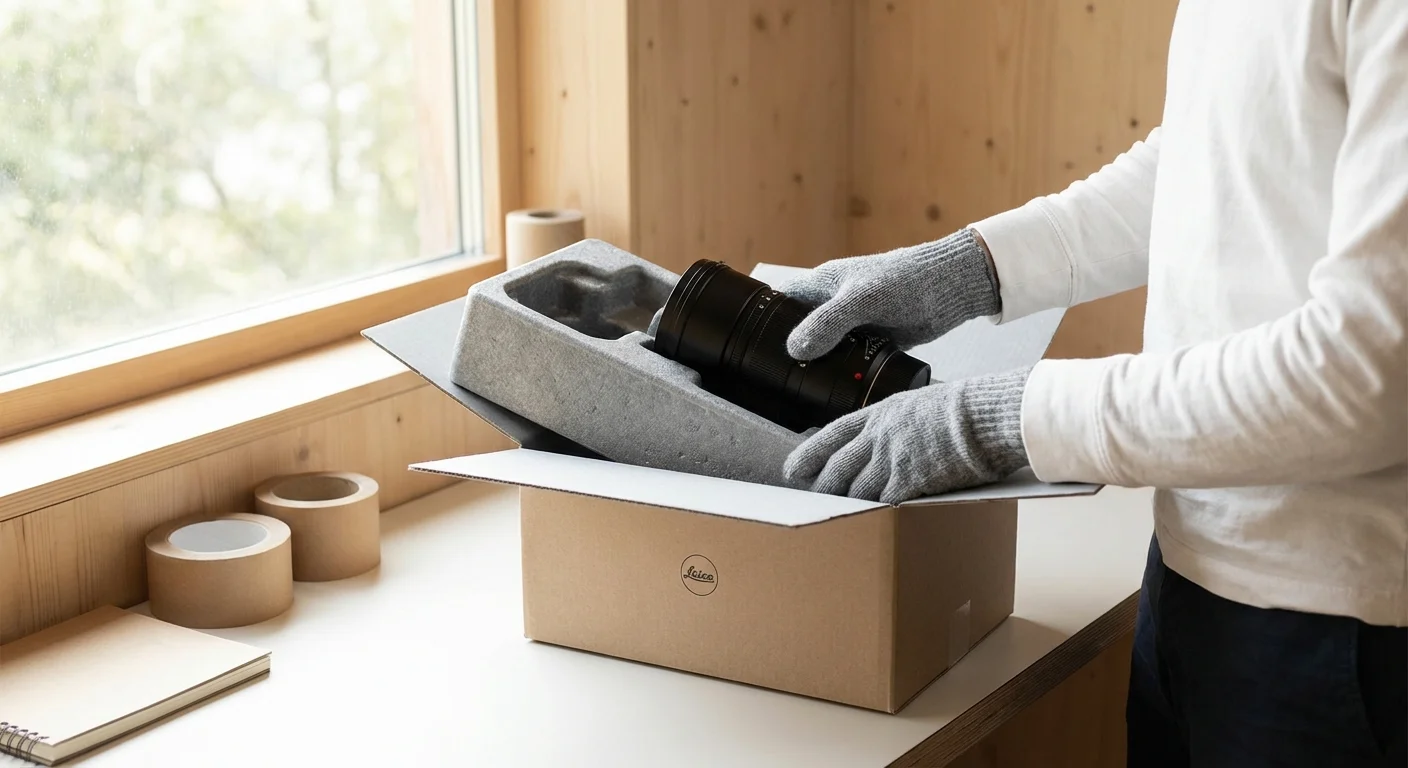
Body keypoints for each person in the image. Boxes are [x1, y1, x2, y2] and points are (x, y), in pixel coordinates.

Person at [778, 1, 1406, 766]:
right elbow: (1218, 155)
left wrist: (1001, 419)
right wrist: (967, 270)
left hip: (1346, 635)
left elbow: (1369, 375)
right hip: (1191, 577)